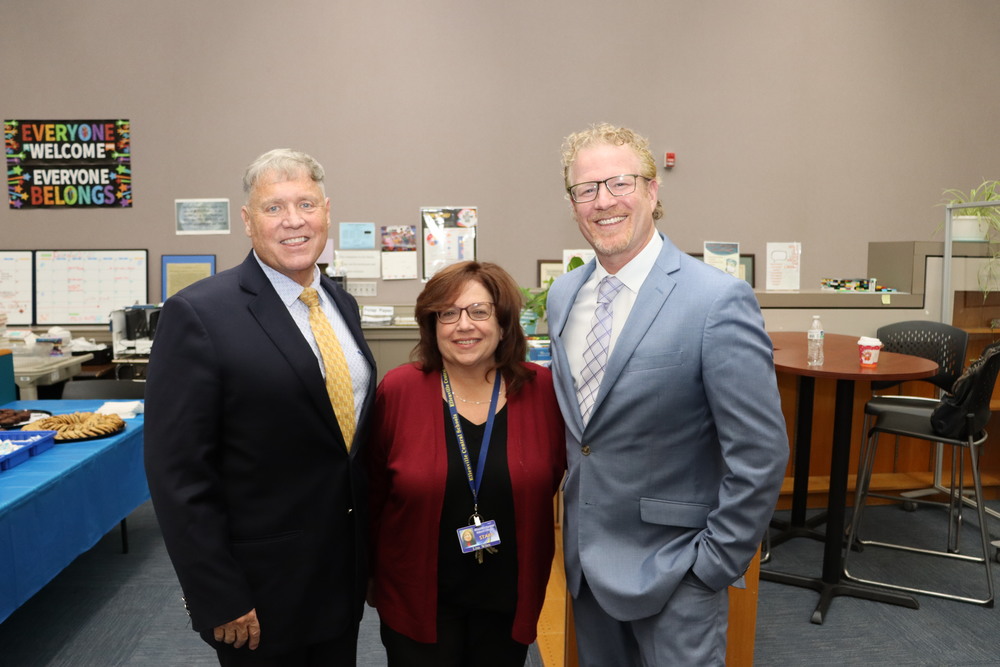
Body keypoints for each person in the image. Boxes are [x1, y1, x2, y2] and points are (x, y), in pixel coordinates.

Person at [546, 123, 789, 666]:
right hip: (586, 567)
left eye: (620, 183)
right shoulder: (564, 297)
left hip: (677, 570)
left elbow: (760, 453)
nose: (603, 201)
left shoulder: (716, 300)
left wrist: (712, 566)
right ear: (572, 203)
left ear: (653, 190)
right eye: (586, 189)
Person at [144, 149, 375, 665]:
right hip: (260, 588)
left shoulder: (340, 303)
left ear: (326, 212)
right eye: (274, 208)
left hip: (341, 573)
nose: (294, 221)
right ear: (248, 221)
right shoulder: (199, 313)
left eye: (306, 204)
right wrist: (217, 593)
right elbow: (178, 473)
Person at [367, 260, 566, 666]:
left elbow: (552, 477)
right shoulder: (400, 390)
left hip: (507, 601)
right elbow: (372, 493)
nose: (463, 325)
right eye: (448, 313)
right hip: (418, 601)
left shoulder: (541, 390)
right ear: (432, 325)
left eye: (479, 311)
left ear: (504, 323)